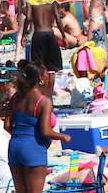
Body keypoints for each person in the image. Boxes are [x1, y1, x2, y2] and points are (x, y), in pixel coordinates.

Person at [5, 62, 70, 193]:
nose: (47, 76)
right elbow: (46, 131)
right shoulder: (43, 101)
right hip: (33, 148)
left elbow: (7, 125)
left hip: (14, 146)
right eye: (46, 73)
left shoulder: (16, 97)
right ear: (40, 78)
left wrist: (20, 136)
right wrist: (63, 136)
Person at [23, 0, 66, 95]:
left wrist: (24, 32)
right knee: (52, 68)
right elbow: (58, 19)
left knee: (38, 65)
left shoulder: (32, 3)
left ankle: (41, 90)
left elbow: (28, 18)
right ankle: (49, 92)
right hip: (50, 34)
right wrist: (63, 36)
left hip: (38, 34)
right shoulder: (51, 3)